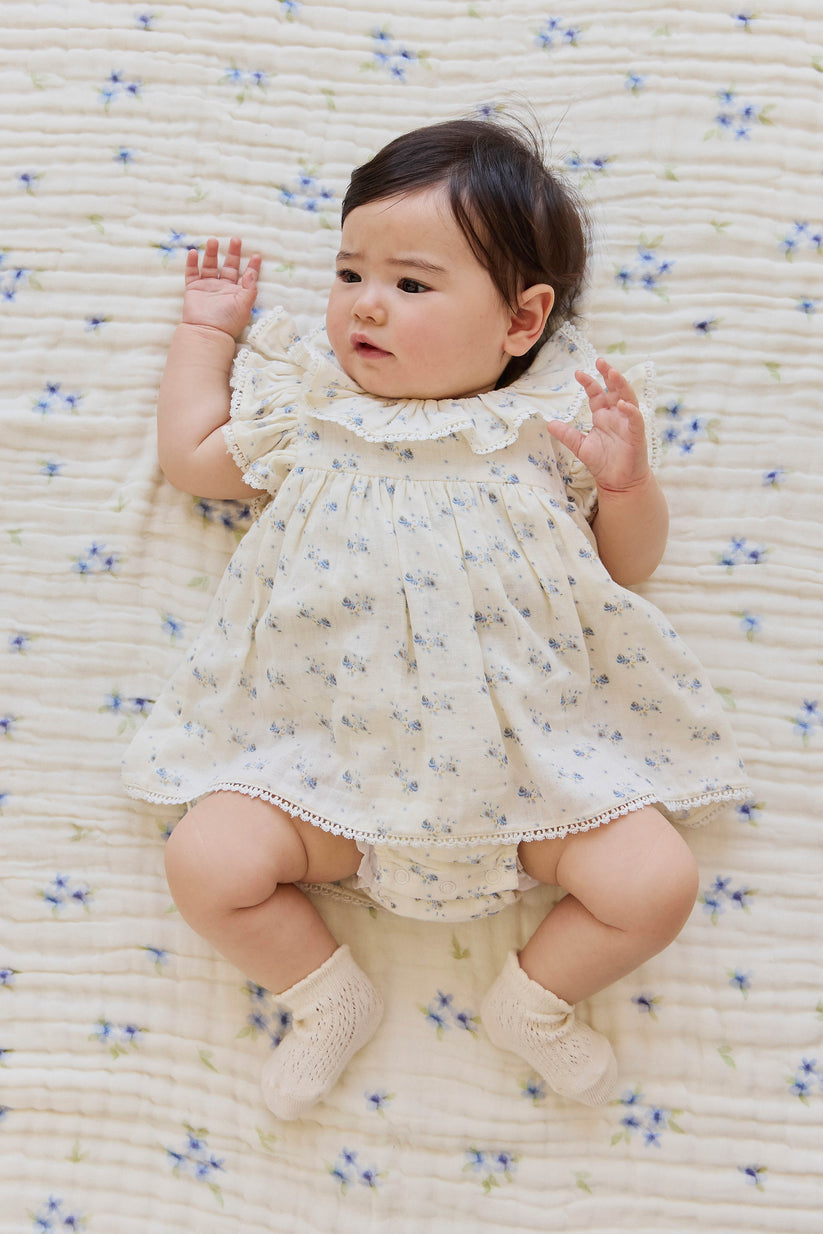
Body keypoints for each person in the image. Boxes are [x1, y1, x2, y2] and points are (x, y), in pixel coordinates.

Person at [123, 117, 748, 1120]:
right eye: (347, 273)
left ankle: (535, 1001)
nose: (365, 304)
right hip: (323, 773)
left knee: (656, 883)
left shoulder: (544, 432)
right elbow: (195, 458)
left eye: (411, 284)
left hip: (535, 781)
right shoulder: (311, 419)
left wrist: (626, 487)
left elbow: (624, 569)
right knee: (206, 861)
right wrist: (207, 333)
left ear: (519, 321)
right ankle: (326, 996)